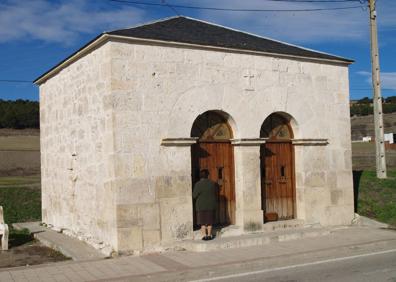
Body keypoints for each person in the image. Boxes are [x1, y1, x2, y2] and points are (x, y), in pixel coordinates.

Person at [192, 169, 217, 241]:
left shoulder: (198, 184)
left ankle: (204, 236)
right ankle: (209, 235)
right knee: (210, 221)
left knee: (202, 222)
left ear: (200, 176)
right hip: (211, 205)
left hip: (201, 206)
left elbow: (194, 195)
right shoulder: (212, 183)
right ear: (208, 175)